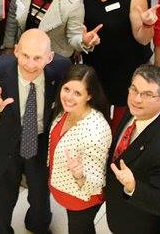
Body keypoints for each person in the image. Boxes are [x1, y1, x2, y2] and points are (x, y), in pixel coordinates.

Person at [0, 29, 71, 234]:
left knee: (41, 198)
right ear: (15, 51)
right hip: (2, 146)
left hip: (39, 145)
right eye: (25, 56)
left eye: (38, 58)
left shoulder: (62, 69)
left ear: (50, 57)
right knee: (1, 203)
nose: (30, 65)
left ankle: (38, 226)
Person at [79, 0, 156, 124]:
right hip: (95, 59)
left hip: (125, 66)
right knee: (95, 109)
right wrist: (83, 39)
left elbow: (143, 40)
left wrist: (146, 25)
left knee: (121, 117)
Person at [104, 65, 160, 234]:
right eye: (134, 89)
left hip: (136, 222)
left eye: (147, 94)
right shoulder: (139, 109)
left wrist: (133, 187)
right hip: (117, 209)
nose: (137, 99)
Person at [46, 64, 112, 234]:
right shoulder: (66, 110)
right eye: (66, 89)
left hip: (82, 199)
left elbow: (95, 184)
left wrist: (79, 174)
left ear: (89, 95)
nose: (69, 97)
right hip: (66, 191)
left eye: (77, 93)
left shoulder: (95, 130)